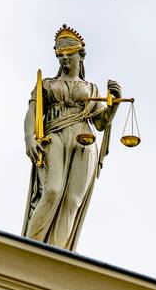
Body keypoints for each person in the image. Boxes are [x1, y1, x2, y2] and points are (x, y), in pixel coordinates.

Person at [22, 25, 122, 250]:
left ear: (81, 56)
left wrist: (114, 105)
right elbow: (33, 112)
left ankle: (59, 250)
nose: (64, 60)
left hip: (83, 140)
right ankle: (29, 247)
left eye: (69, 55)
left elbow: (100, 122)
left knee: (72, 200)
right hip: (54, 135)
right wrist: (29, 137)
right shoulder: (47, 84)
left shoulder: (92, 89)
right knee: (52, 190)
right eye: (61, 56)